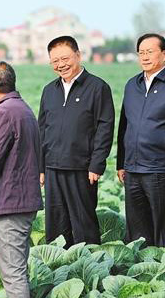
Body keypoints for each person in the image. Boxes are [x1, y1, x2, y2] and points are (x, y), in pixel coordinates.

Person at [117, 33, 165, 247]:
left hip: (161, 168)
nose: (144, 57)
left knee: (164, 226)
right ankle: (140, 265)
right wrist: (121, 163)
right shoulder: (132, 85)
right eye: (141, 53)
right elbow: (124, 126)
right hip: (133, 169)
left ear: (164, 54)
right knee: (137, 226)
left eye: (149, 52)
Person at [0, 62, 43, 298]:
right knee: (19, 267)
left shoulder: (3, 112)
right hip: (24, 199)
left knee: (12, 272)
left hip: (10, 201)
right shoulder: (23, 108)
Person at [38, 36, 114, 247]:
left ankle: (89, 265)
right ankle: (58, 268)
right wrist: (40, 167)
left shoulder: (98, 87)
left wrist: (96, 164)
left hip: (82, 168)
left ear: (78, 55)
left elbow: (104, 128)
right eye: (54, 61)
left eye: (65, 58)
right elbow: (42, 130)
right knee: (55, 223)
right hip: (52, 167)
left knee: (83, 223)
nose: (60, 65)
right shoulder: (49, 90)